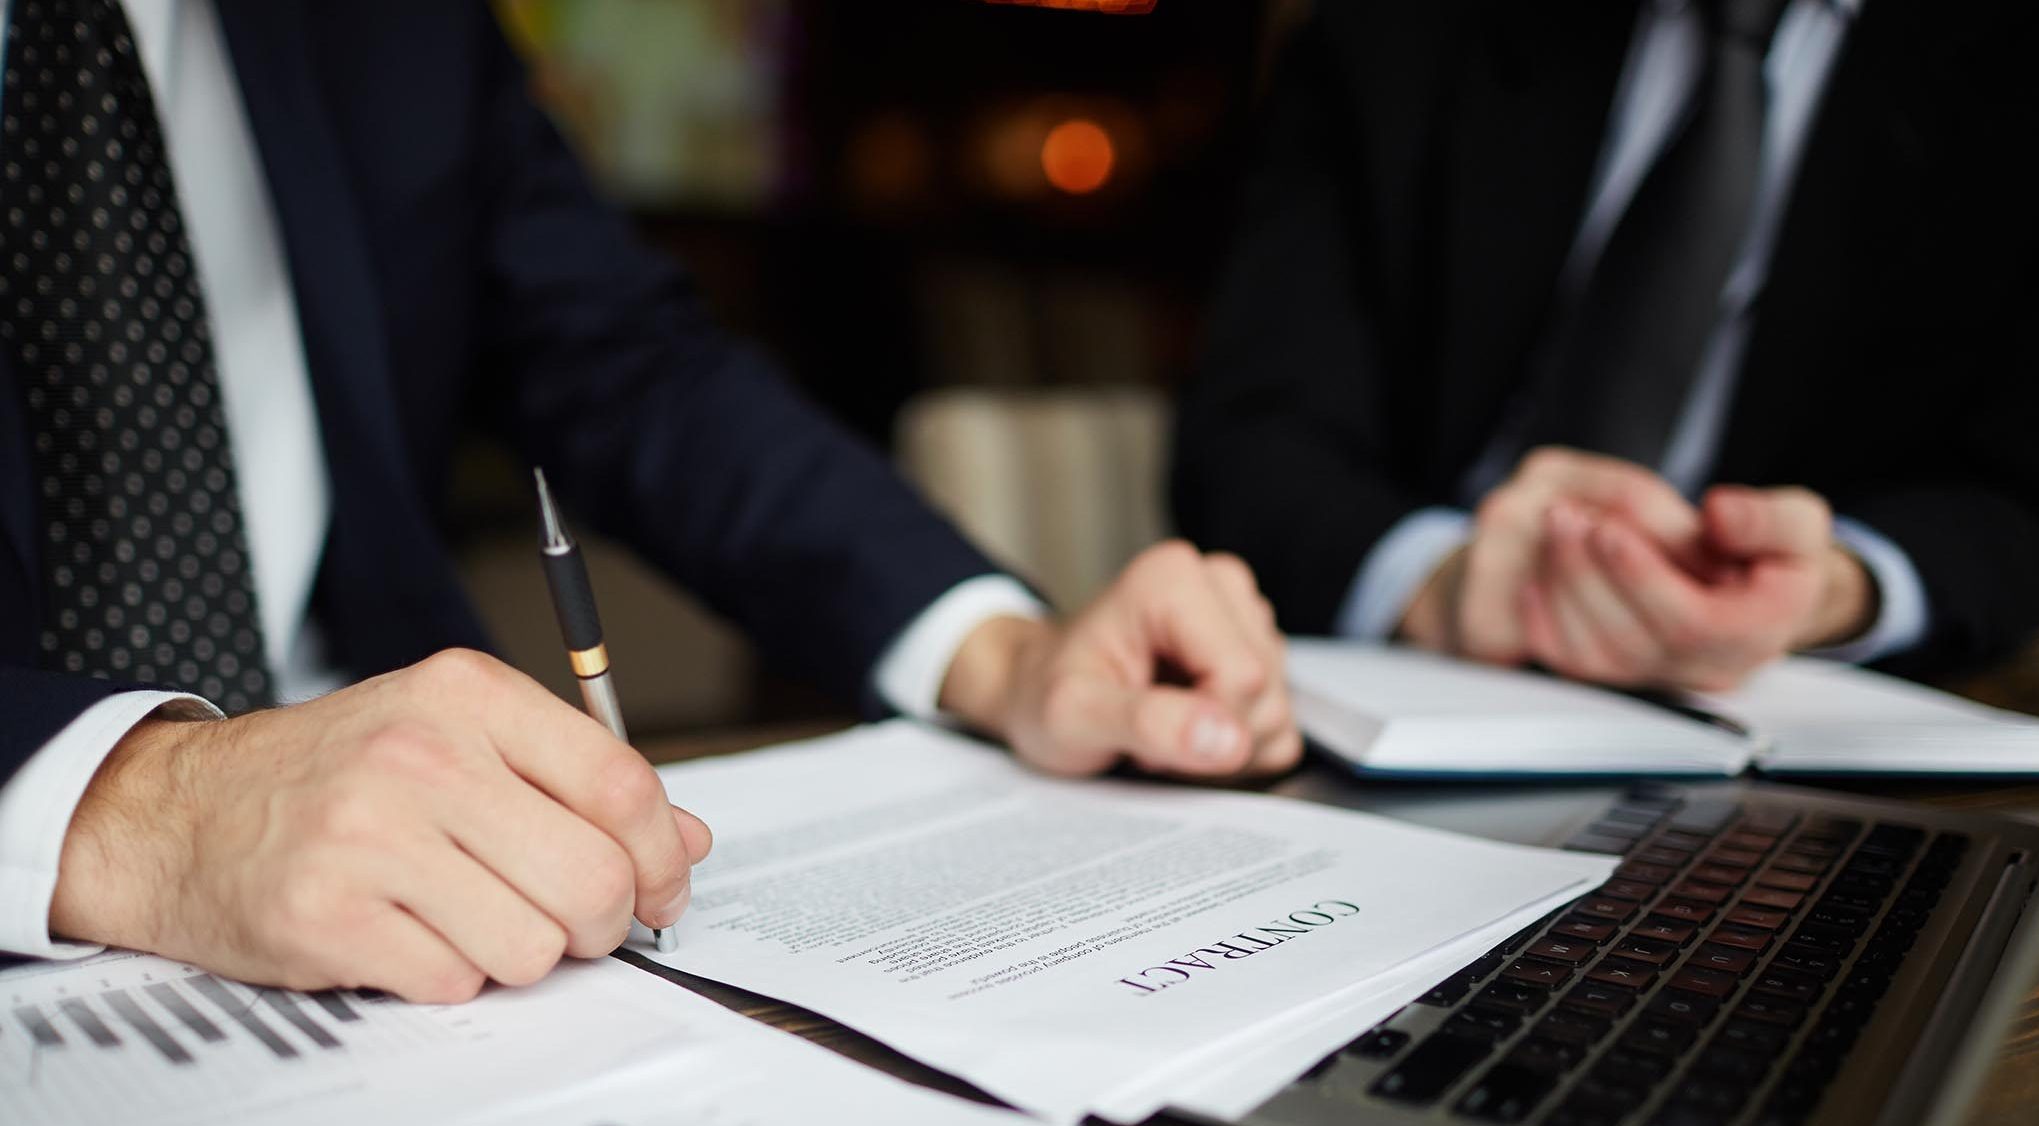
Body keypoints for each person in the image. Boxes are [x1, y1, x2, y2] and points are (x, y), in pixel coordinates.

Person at [0, 2, 1299, 1002]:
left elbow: (630, 360)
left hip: (450, 929)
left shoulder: (386, 22)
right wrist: (132, 806)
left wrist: (1005, 652)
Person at [1175, 0, 2039, 694]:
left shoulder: (2014, 64)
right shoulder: (1403, 27)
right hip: (1422, 685)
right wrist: (1442, 581)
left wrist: (1840, 585)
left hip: (1806, 716)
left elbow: (2021, 495)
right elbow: (1253, 432)